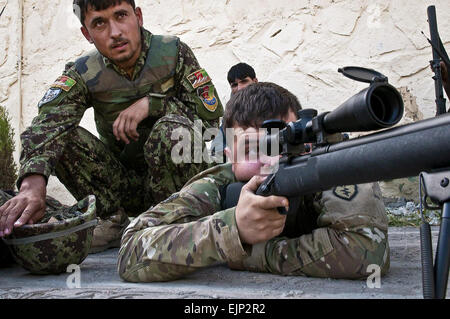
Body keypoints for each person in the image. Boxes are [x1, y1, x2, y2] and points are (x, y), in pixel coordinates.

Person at [0, 0, 223, 253]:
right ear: (87, 34)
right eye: (99, 23)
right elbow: (48, 124)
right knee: (64, 137)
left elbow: (209, 122)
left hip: (179, 186)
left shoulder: (172, 53)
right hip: (122, 185)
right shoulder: (84, 72)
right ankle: (113, 222)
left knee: (171, 130)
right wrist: (32, 185)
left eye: (121, 16)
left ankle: (181, 220)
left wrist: (154, 105)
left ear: (138, 16)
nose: (115, 32)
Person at [117, 82, 390, 282]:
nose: (268, 161)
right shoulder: (219, 185)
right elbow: (130, 252)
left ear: (304, 143)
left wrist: (256, 255)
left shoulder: (323, 165)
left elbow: (366, 252)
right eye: (250, 149)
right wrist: (232, 230)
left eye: (279, 143)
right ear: (229, 157)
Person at [210, 62, 258, 163]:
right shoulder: (231, 112)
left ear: (255, 81)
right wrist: (232, 150)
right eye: (235, 85)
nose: (240, 88)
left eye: (244, 82)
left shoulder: (269, 102)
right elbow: (216, 146)